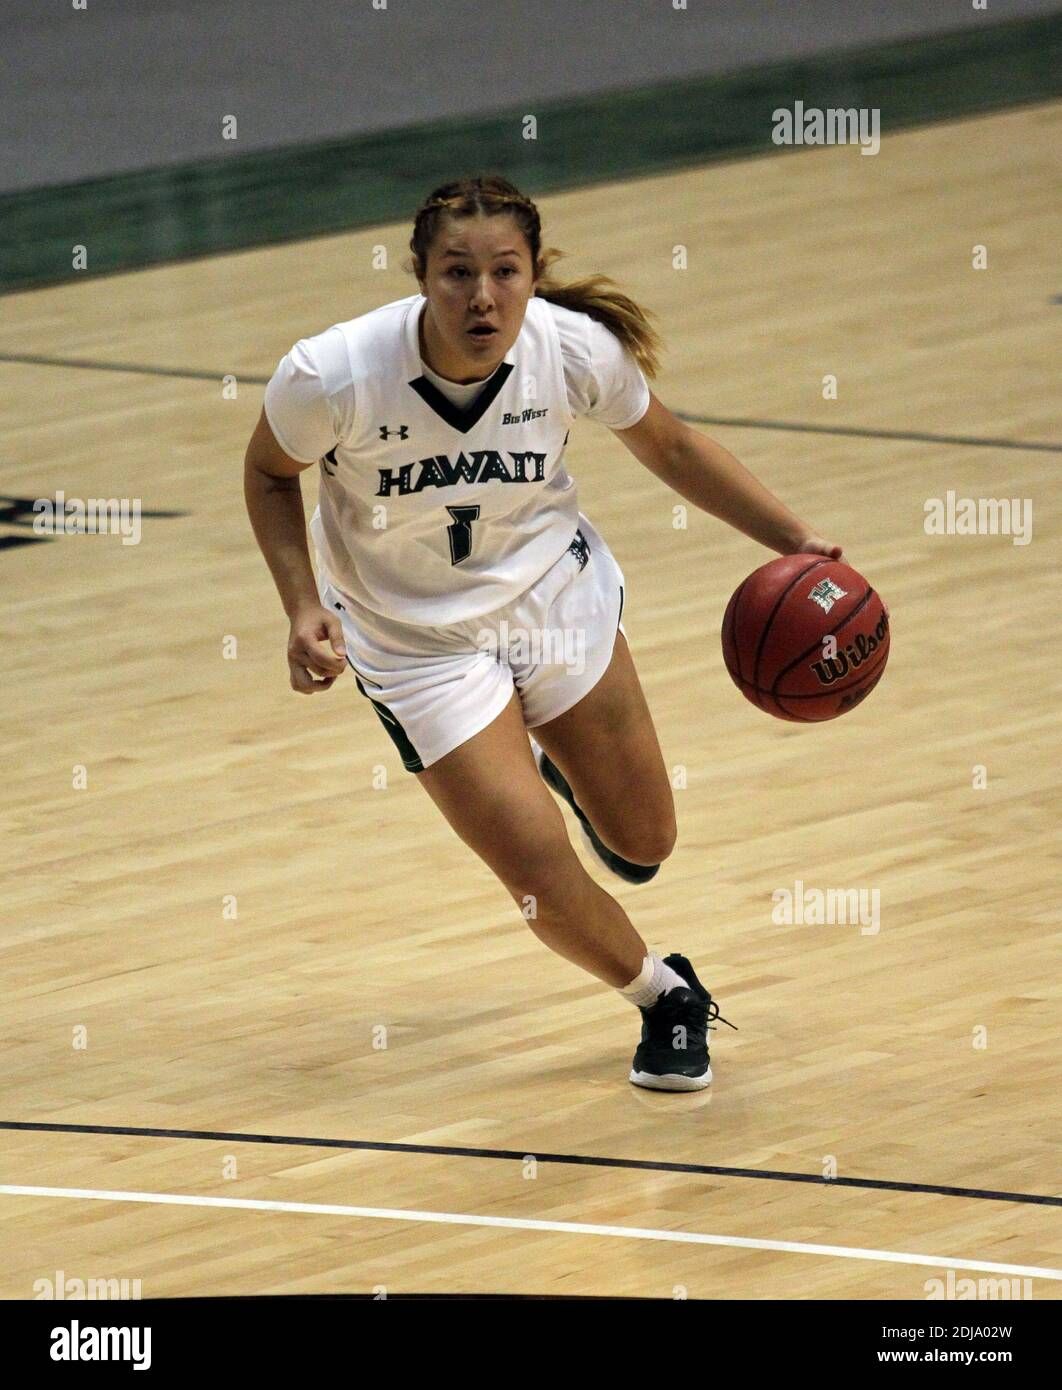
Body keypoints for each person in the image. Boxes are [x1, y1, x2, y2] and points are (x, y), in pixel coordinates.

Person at [244, 174, 843, 1091]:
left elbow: (675, 449)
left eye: (504, 272)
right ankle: (664, 996)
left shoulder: (572, 351)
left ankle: (548, 753)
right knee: (533, 864)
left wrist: (796, 541)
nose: (481, 296)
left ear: (532, 274)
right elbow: (267, 473)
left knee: (645, 844)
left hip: (551, 603)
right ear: (419, 276)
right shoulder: (332, 375)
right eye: (456, 273)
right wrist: (299, 604)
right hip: (419, 644)